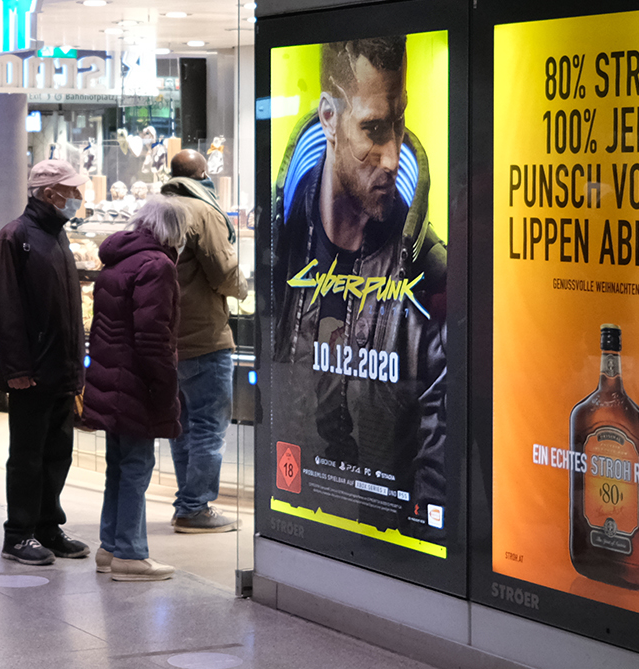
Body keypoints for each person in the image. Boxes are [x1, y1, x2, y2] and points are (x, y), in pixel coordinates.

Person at [268, 35, 447, 542]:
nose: (391, 157)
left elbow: (437, 470)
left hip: (386, 547)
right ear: (329, 117)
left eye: (399, 123)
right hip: (297, 529)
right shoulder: (281, 251)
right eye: (373, 128)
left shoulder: (428, 276)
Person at [0, 159, 90, 566]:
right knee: (27, 455)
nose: (77, 197)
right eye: (71, 191)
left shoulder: (57, 235)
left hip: (61, 367)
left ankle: (47, 526)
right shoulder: (16, 236)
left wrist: (77, 367)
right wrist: (18, 370)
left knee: (58, 452)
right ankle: (18, 534)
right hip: (33, 371)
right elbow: (5, 307)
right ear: (49, 193)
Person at [82, 196, 185, 581]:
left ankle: (110, 547)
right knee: (137, 468)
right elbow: (152, 338)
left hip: (110, 376)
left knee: (118, 465)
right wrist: (165, 388)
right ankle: (130, 553)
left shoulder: (118, 260)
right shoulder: (157, 266)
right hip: (137, 381)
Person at [159, 149, 248, 533]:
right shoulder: (203, 210)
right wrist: (244, 290)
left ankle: (187, 502)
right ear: (204, 174)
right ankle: (194, 508)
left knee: (181, 427)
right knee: (209, 426)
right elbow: (224, 271)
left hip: (167, 337)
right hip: (205, 337)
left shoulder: (160, 209)